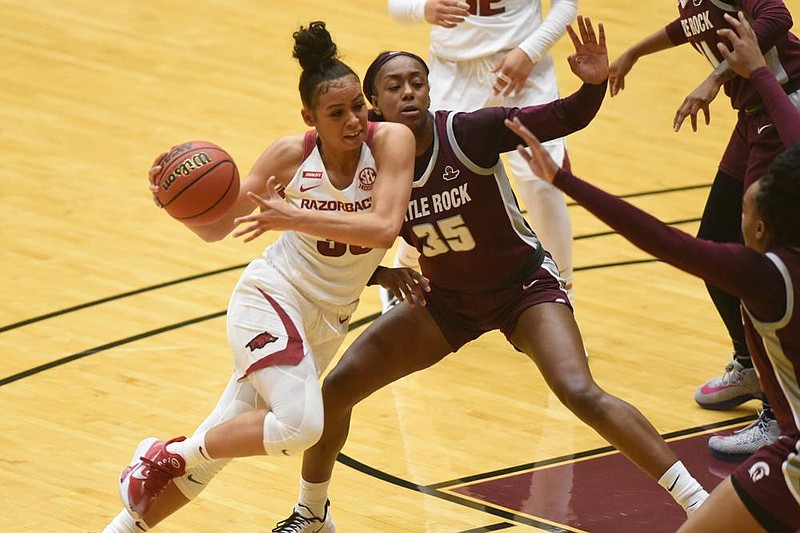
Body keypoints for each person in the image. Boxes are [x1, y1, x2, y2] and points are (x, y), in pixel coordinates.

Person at [273, 16, 709, 532]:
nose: (410, 92)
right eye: (395, 86)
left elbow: (560, 117)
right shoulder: (368, 166)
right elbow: (333, 247)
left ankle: (701, 502)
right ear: (372, 105)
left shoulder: (467, 132)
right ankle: (312, 514)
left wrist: (592, 86)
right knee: (336, 391)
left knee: (578, 389)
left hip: (523, 287)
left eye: (418, 82)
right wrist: (382, 279)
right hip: (446, 302)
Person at [100, 21, 422, 533]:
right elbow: (219, 228)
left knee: (217, 449)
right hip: (272, 298)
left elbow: (383, 227)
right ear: (309, 118)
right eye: (337, 113)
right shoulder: (290, 157)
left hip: (327, 321)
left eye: (358, 106)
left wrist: (365, 265)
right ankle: (168, 453)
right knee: (301, 426)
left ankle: (128, 518)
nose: (354, 121)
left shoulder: (392, 142)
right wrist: (173, 197)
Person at [504, 35, 800, 527]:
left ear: (761, 228)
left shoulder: (764, 275)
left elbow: (664, 240)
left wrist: (567, 182)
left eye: (746, 206)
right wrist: (763, 74)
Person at [607, 0, 800, 461]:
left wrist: (713, 80)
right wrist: (634, 51)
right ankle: (751, 364)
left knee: (757, 264)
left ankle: (780, 412)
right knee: (714, 241)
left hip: (784, 103)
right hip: (752, 116)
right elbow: (690, 24)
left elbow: (778, 17)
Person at [382, 0, 580, 312]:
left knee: (542, 185)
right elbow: (397, 7)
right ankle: (407, 266)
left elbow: (566, 4)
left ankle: (561, 295)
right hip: (451, 70)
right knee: (429, 184)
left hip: (522, 67)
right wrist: (423, 10)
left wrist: (531, 51)